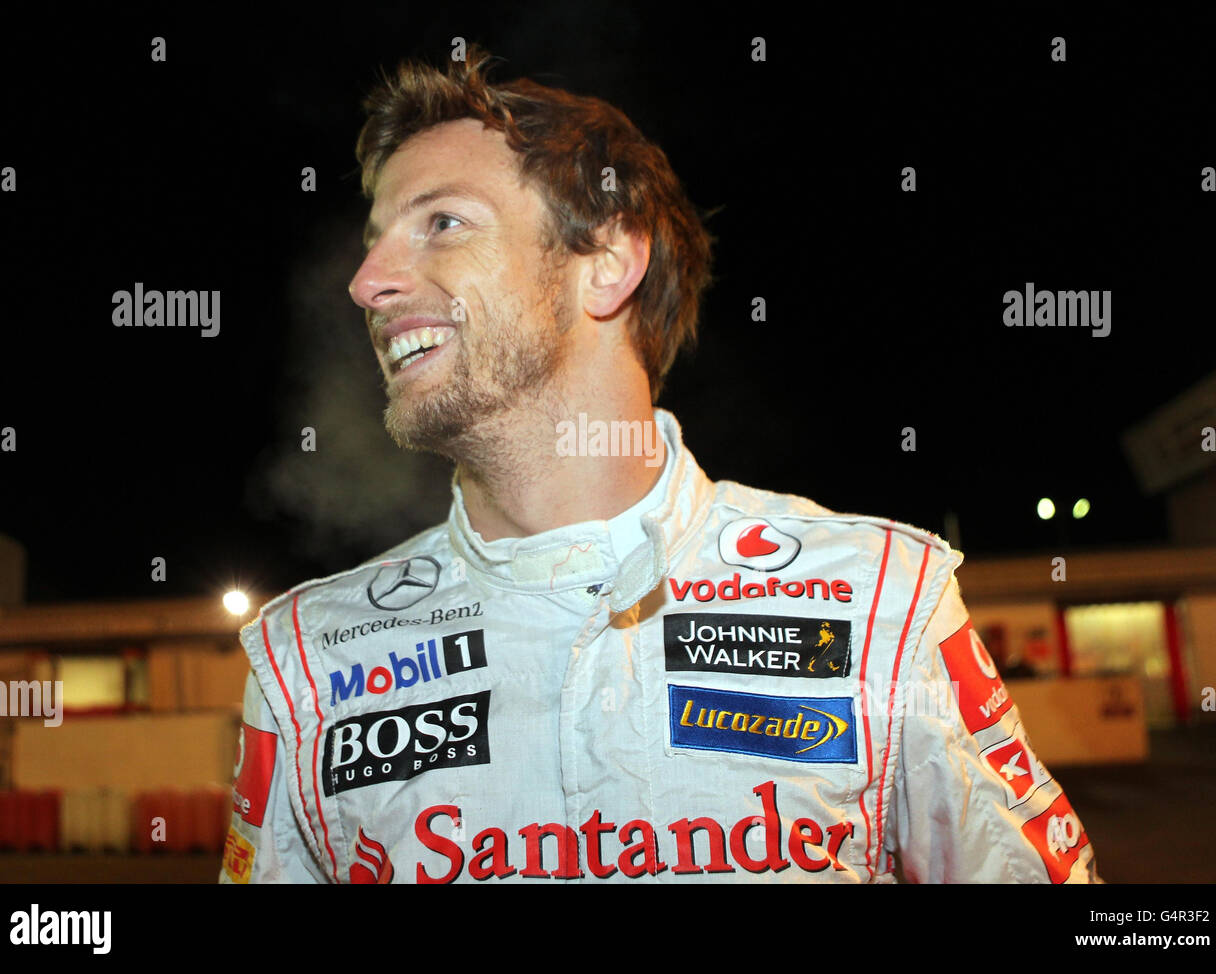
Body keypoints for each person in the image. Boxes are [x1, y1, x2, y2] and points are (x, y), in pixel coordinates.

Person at [218, 45, 1099, 884]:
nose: (366, 280)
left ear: (606, 260)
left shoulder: (880, 604)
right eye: (376, 238)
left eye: (441, 222)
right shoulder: (308, 662)